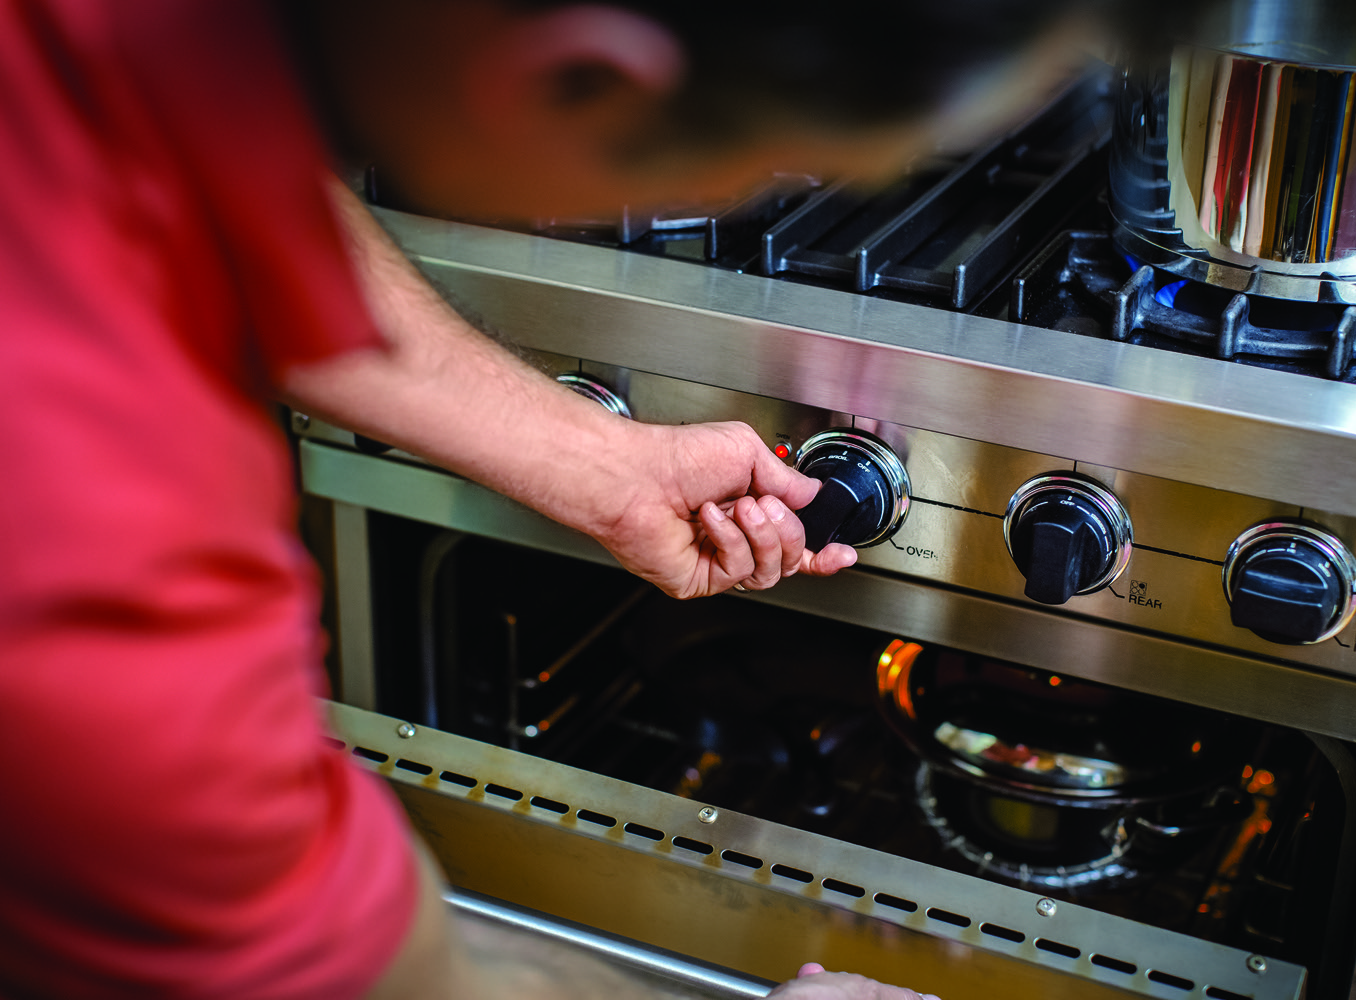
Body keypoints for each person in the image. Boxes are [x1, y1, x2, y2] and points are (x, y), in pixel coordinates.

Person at [0, 0, 1091, 996]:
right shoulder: (97, 517)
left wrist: (596, 461)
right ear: (579, 78)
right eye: (773, 172)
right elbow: (329, 975)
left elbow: (221, 160)